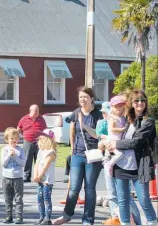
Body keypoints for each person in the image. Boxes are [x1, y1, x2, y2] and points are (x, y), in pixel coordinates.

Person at [53, 86, 103, 225]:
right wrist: (72, 150)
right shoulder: (76, 112)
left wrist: (84, 125)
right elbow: (72, 131)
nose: (82, 99)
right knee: (74, 188)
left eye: (85, 97)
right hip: (77, 155)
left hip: (93, 156)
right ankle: (67, 215)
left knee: (89, 188)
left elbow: (97, 134)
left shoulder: (98, 115)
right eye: (80, 97)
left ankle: (88, 220)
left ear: (92, 98)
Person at [107, 90, 157, 225]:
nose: (140, 103)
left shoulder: (148, 122)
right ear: (132, 103)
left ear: (146, 102)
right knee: (122, 201)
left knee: (144, 200)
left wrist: (115, 144)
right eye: (136, 100)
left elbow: (136, 142)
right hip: (121, 165)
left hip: (139, 166)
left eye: (142, 100)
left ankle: (152, 222)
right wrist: (108, 144)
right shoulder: (127, 119)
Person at [96, 101, 141, 225]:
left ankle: (132, 221)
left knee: (122, 196)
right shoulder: (110, 121)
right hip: (110, 158)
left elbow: (128, 140)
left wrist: (108, 142)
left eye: (106, 112)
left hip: (120, 160)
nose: (105, 115)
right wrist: (104, 141)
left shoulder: (126, 120)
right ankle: (119, 220)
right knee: (114, 196)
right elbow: (102, 139)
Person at [1, 127, 26, 224]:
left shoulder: (20, 150)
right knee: (8, 199)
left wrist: (15, 156)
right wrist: (9, 155)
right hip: (7, 178)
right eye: (12, 138)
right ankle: (8, 216)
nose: (14, 140)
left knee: (18, 199)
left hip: (18, 177)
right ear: (7, 139)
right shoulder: (4, 150)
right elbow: (3, 163)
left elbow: (23, 163)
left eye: (16, 138)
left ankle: (19, 217)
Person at [17, 105, 47, 183]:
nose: (37, 112)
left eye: (38, 110)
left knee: (39, 159)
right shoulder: (24, 118)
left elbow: (45, 129)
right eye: (35, 110)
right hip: (28, 141)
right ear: (30, 111)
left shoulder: (41, 119)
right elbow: (19, 129)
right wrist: (23, 135)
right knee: (27, 159)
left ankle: (39, 176)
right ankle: (27, 176)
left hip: (39, 142)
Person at [34, 129, 57, 225]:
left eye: (43, 139)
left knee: (46, 198)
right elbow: (37, 164)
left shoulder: (51, 152)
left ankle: (47, 218)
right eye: (40, 139)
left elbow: (46, 165)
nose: (41, 141)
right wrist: (35, 175)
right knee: (39, 198)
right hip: (40, 179)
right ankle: (41, 216)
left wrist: (40, 175)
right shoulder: (41, 151)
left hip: (47, 180)